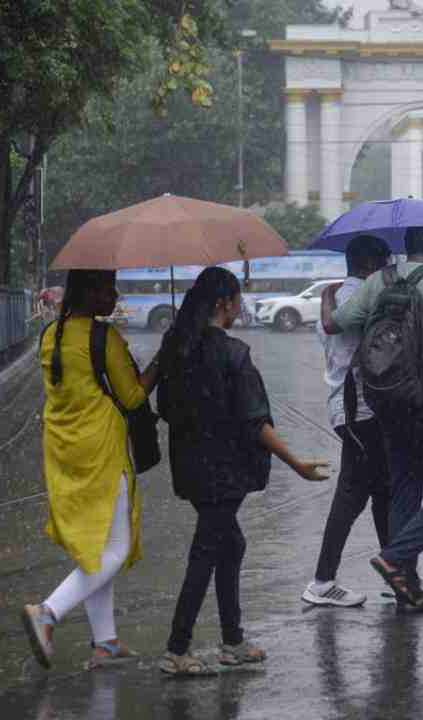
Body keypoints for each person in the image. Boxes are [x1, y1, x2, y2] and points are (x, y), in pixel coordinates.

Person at [156, 267, 329, 675]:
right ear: (223, 304)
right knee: (206, 553)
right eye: (236, 299)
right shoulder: (232, 353)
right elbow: (256, 423)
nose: (240, 307)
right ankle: (177, 649)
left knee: (230, 545)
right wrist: (297, 464)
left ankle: (232, 640)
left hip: (190, 469)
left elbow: (158, 401)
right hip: (224, 472)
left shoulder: (176, 346)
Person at [321, 226, 423, 613]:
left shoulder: (379, 279)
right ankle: (396, 557)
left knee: (406, 489)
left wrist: (327, 295)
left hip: (388, 402)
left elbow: (334, 324)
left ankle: (406, 590)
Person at [21, 270, 160, 670]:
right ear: (87, 292)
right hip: (101, 452)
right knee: (115, 550)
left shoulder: (51, 334)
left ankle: (106, 642)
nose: (114, 295)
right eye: (106, 287)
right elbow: (133, 396)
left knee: (97, 549)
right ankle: (47, 612)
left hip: (65, 451)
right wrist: (162, 362)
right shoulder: (105, 338)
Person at [304, 235, 395, 608]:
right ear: (372, 263)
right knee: (353, 494)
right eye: (386, 261)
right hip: (363, 410)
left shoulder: (334, 296)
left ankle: (395, 570)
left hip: (347, 409)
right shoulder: (366, 298)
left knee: (381, 491)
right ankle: (322, 581)